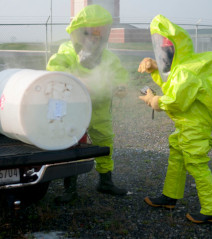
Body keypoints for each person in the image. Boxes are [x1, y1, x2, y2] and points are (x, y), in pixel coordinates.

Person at [138, 15, 212, 224]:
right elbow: (172, 82)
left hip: (194, 124)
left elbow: (176, 100)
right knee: (177, 155)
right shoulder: (181, 69)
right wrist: (155, 69)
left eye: (165, 46)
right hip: (186, 124)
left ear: (176, 47)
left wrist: (152, 100)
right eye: (160, 46)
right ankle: (170, 196)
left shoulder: (185, 72)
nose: (162, 52)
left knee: (196, 162)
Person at [47, 4, 128, 203]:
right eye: (89, 33)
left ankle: (105, 182)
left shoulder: (108, 57)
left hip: (100, 110)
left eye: (98, 34)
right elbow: (54, 68)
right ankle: (70, 188)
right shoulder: (67, 50)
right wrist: (77, 82)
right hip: (75, 108)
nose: (94, 38)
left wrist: (121, 87)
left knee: (105, 142)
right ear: (79, 33)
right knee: (73, 145)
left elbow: (120, 76)